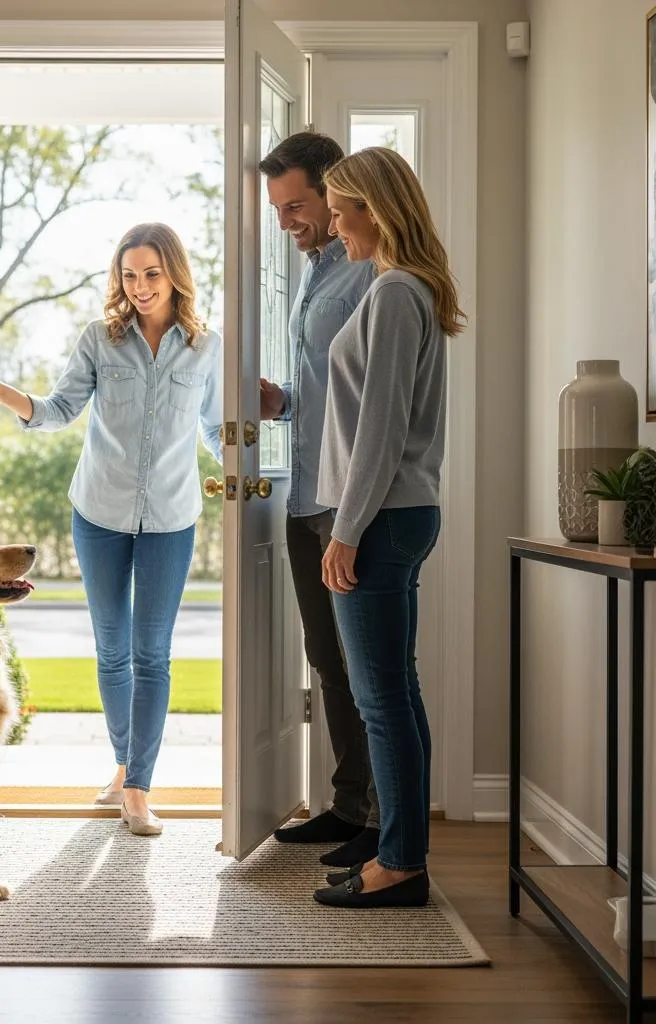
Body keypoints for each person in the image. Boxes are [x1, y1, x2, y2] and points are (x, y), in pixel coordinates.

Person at [0, 223, 222, 837]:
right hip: (99, 513)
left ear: (175, 275)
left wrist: (266, 465)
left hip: (171, 517)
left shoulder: (207, 346)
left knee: (151, 653)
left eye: (152, 274)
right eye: (129, 275)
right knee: (112, 649)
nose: (139, 286)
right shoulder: (99, 340)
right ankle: (123, 764)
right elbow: (58, 412)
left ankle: (137, 786)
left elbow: (218, 431)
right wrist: (5, 395)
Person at [311, 147, 465, 909]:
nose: (335, 228)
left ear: (376, 210)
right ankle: (404, 855)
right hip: (399, 512)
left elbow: (380, 428)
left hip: (382, 516)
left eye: (341, 212)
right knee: (395, 694)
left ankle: (399, 864)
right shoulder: (398, 290)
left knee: (381, 700)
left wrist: (345, 530)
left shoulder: (397, 293)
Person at [257, 132, 379, 870]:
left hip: (345, 500)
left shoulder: (370, 274)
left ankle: (381, 823)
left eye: (296, 205)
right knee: (329, 659)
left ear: (336, 196)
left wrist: (353, 520)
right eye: (278, 207)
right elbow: (333, 391)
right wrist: (283, 401)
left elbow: (375, 403)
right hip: (305, 496)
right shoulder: (315, 273)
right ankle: (348, 805)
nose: (285, 221)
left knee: (367, 666)